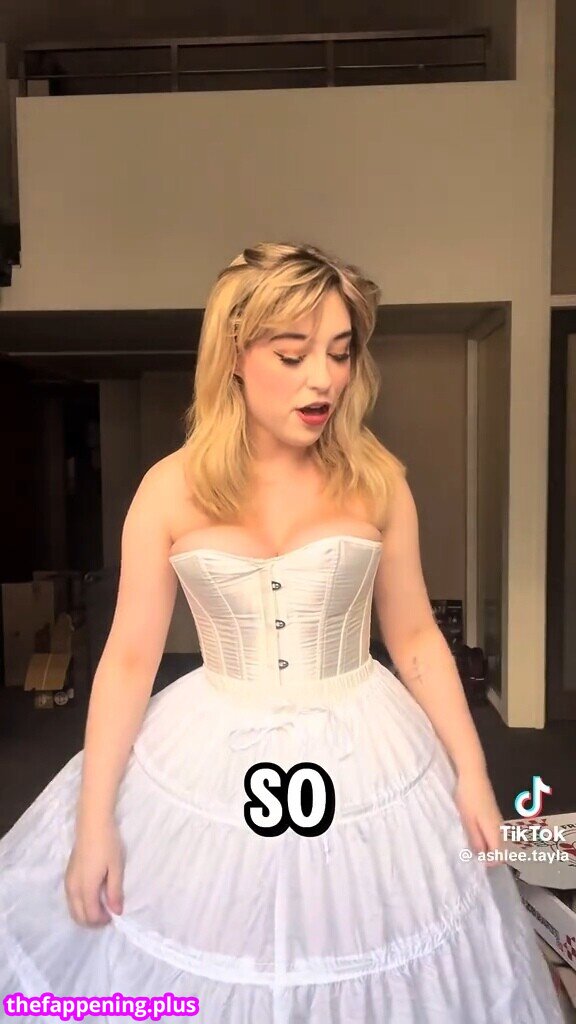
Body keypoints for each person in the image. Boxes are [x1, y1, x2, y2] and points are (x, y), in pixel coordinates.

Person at [0, 242, 563, 1023]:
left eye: (340, 352)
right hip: (209, 745)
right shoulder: (168, 489)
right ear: (235, 354)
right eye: (293, 354)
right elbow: (128, 660)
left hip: (367, 744)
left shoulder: (379, 480)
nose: (322, 379)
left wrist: (471, 773)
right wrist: (93, 826)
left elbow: (414, 638)